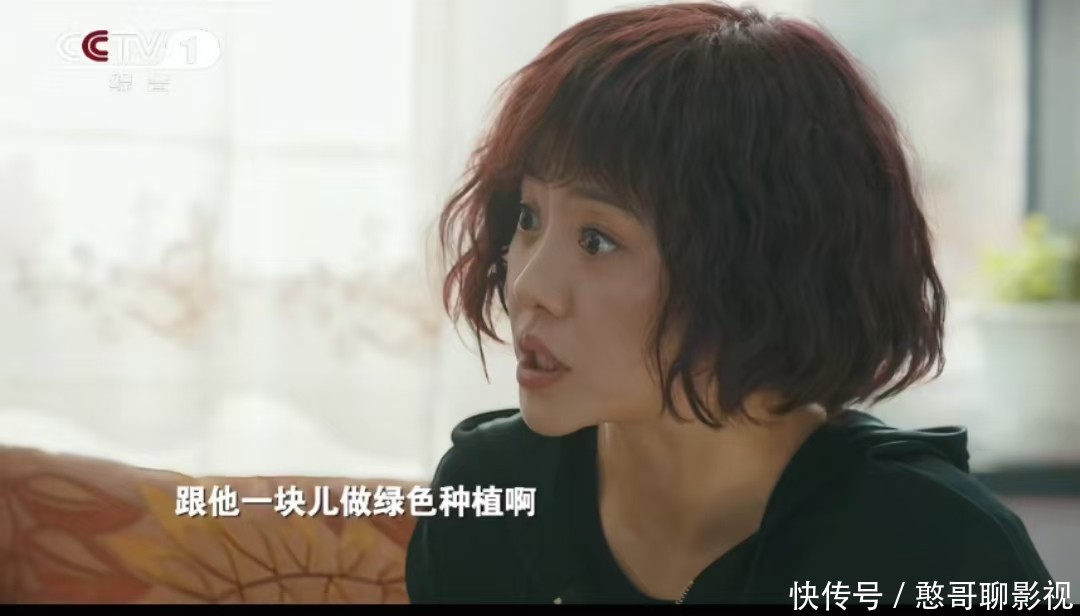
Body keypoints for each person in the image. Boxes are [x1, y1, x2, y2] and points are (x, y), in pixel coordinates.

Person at [405, 0, 1057, 606]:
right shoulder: (489, 494)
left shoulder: (937, 549)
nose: (528, 286)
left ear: (755, 269)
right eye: (528, 217)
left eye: (597, 240)